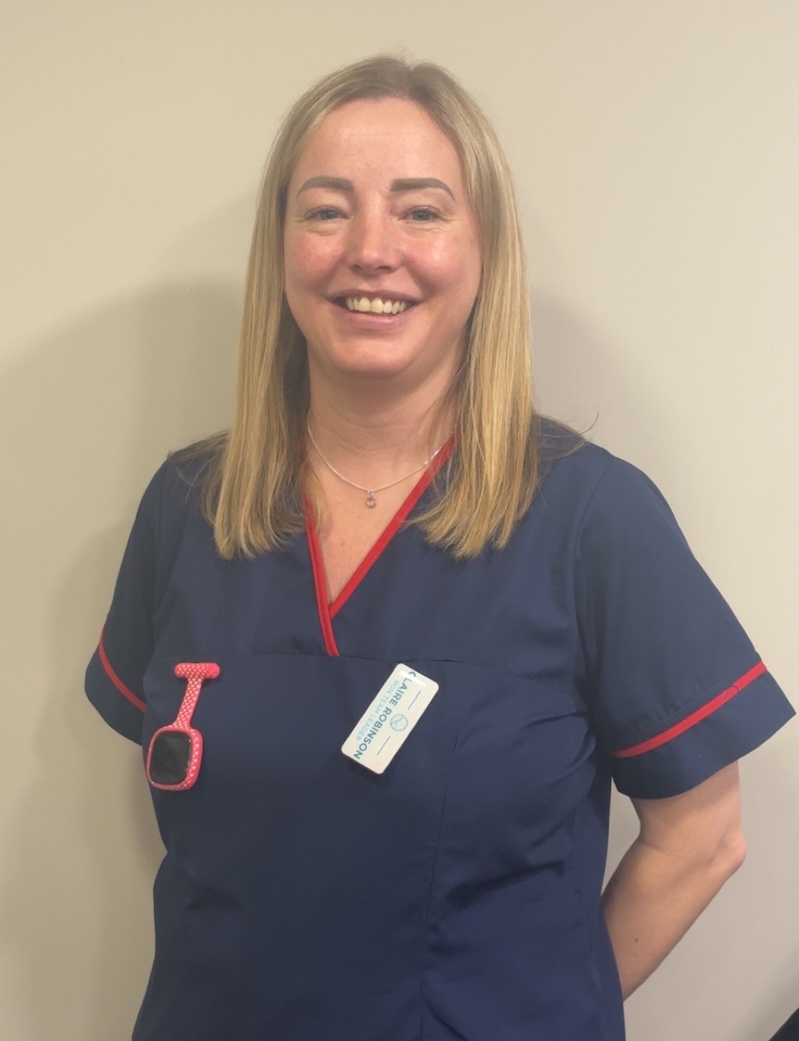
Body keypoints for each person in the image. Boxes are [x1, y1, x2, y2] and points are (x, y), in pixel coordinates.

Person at [85, 55, 794, 1041]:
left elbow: (704, 838)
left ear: (485, 251)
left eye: (420, 211)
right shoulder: (191, 505)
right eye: (327, 210)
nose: (371, 250)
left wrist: (542, 1011)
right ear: (281, 247)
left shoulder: (592, 518)